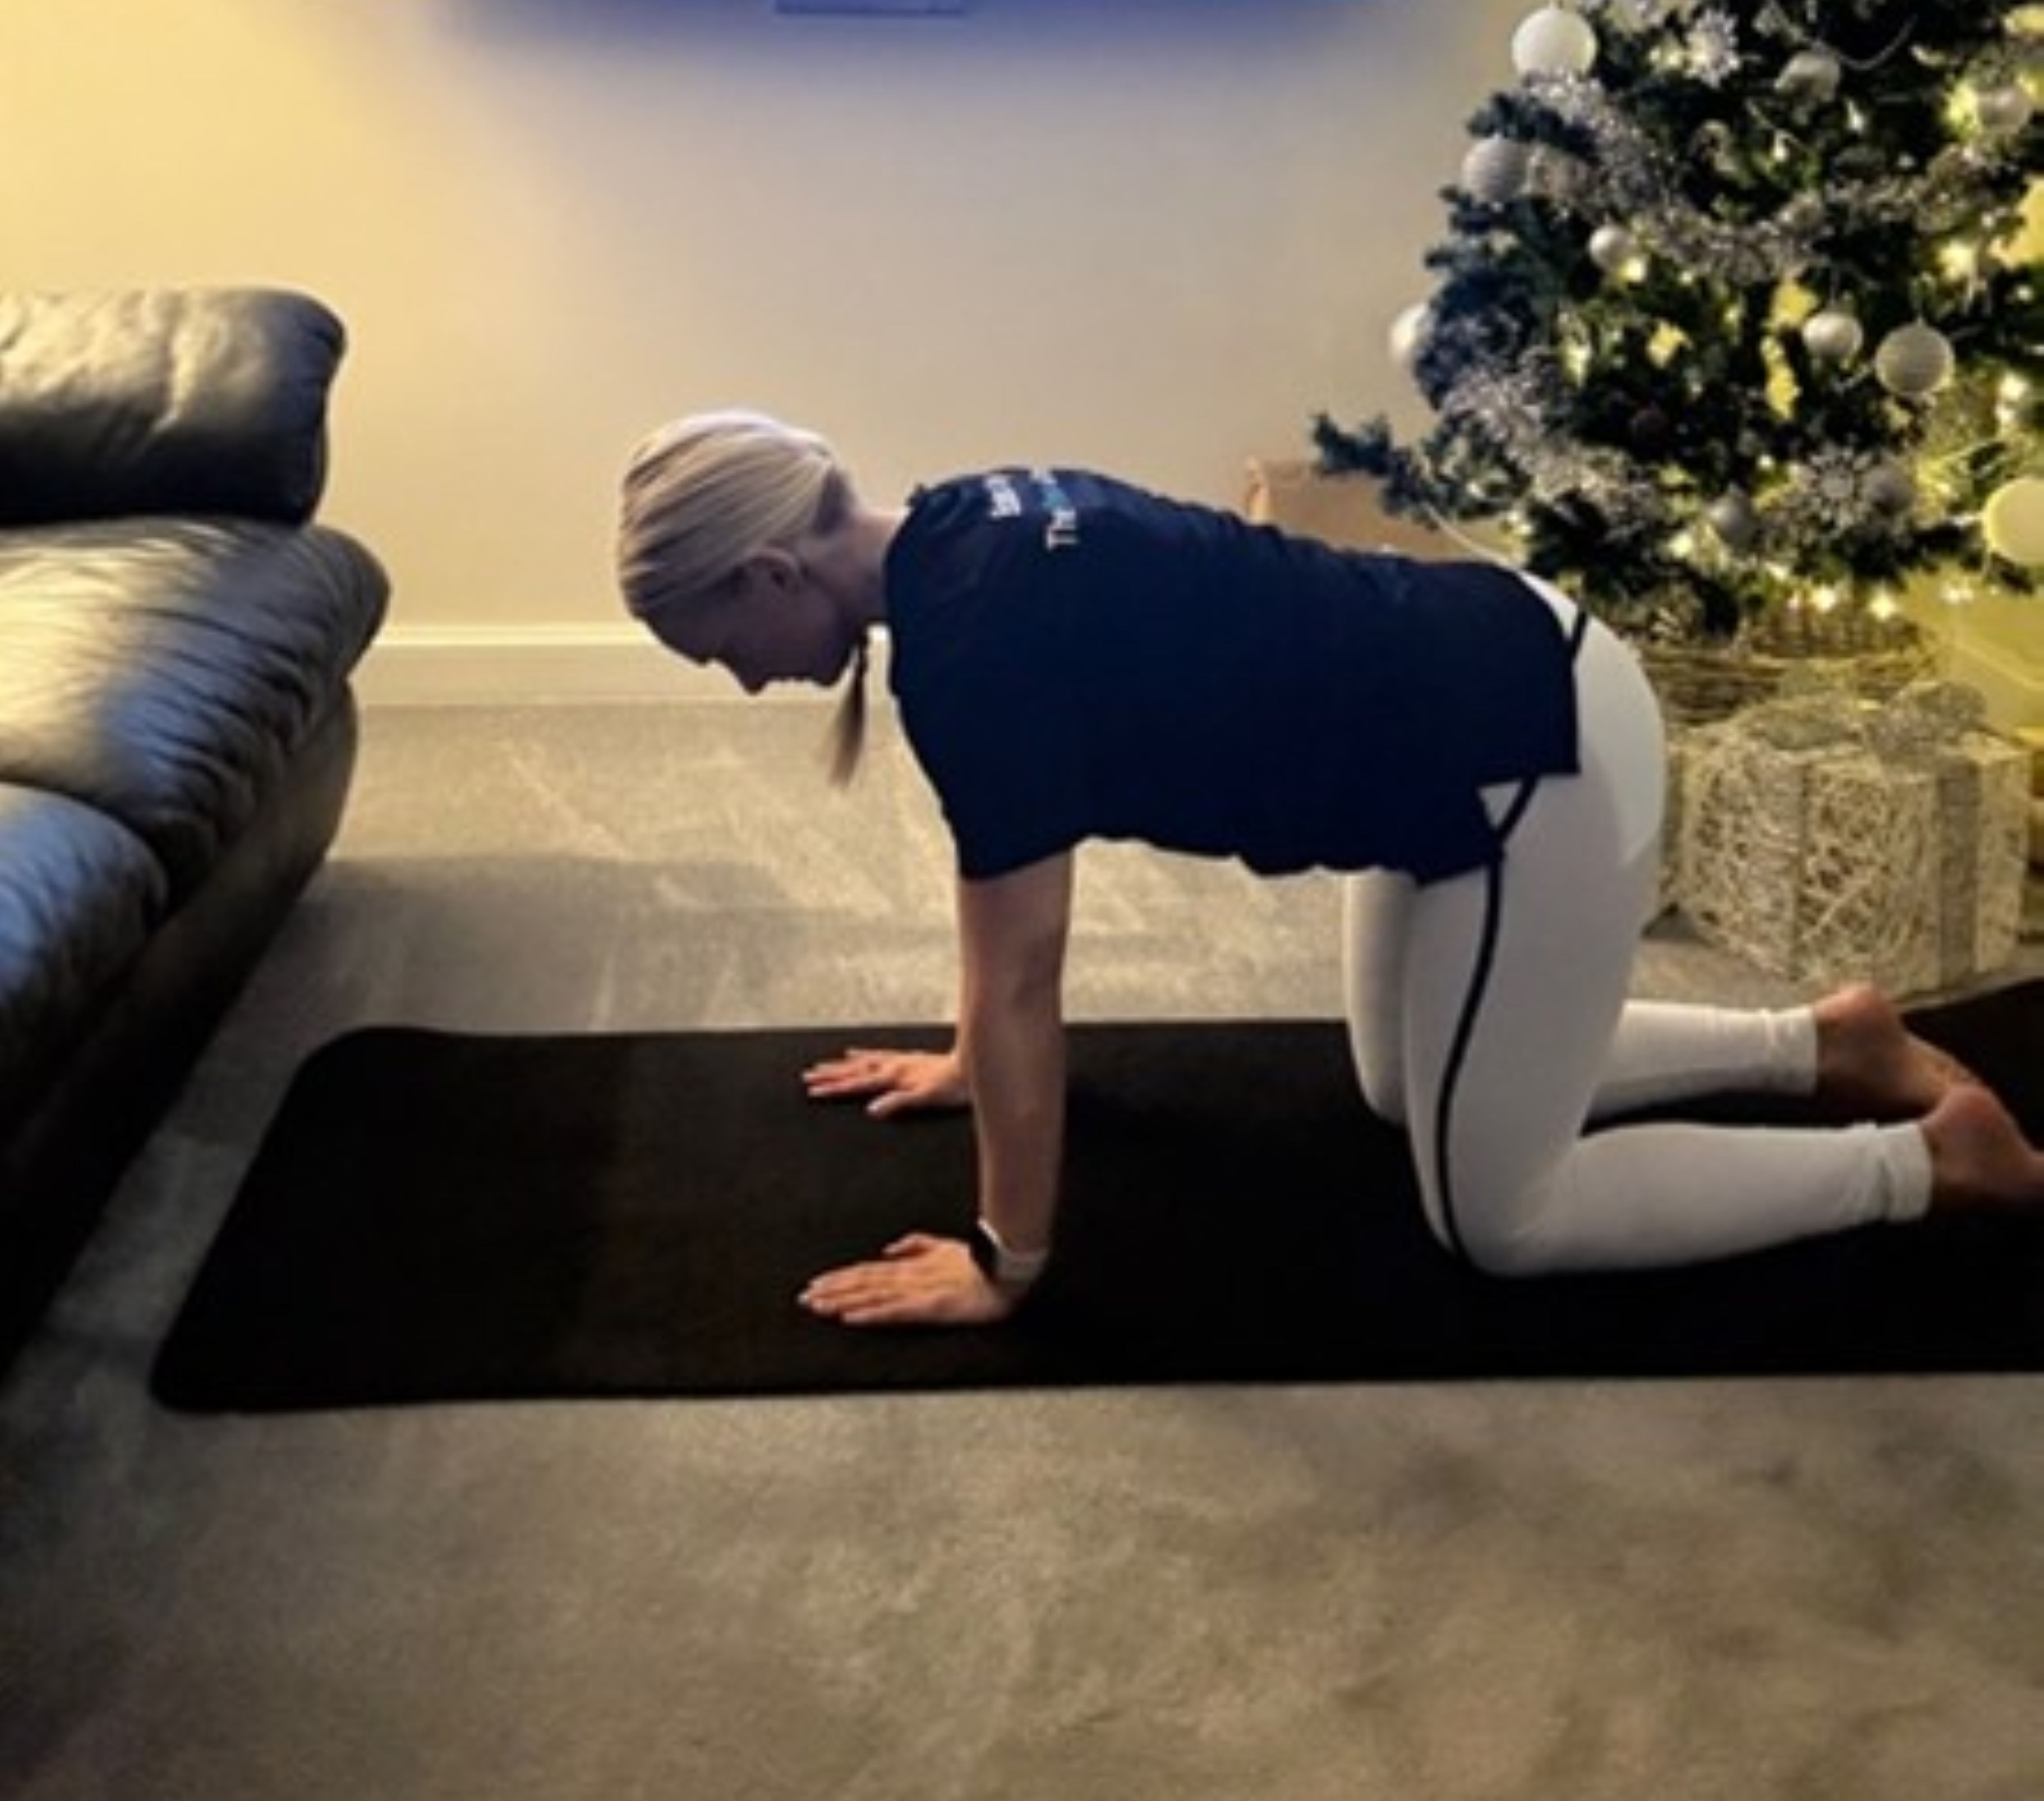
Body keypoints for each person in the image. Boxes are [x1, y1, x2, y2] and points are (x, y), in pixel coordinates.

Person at [616, 410, 2044, 1331]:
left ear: (767, 575)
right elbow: (1003, 949)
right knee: (1394, 1087)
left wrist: (1008, 1258)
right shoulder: (961, 524)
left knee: (1501, 1218)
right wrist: (960, 1058)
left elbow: (1027, 979)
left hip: (1527, 754)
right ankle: (1823, 1040)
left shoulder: (972, 654)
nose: (743, 684)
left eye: (715, 646)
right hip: (1476, 675)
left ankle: (1922, 1162)